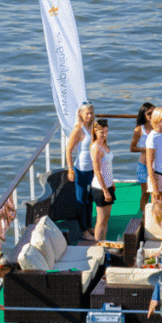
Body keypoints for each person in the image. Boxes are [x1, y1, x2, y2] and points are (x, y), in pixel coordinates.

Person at [65, 101, 95, 237]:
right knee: (81, 199)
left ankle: (89, 226)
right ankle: (83, 230)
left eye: (91, 113)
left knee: (90, 198)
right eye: (87, 113)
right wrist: (70, 170)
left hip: (93, 169)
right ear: (81, 114)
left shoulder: (94, 128)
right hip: (81, 169)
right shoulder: (78, 130)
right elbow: (68, 150)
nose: (89, 116)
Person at [89, 118, 116, 242]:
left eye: (106, 132)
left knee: (106, 218)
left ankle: (103, 243)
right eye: (102, 133)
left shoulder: (104, 144)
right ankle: (97, 245)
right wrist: (105, 191)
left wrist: (112, 183)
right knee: (101, 220)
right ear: (95, 132)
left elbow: (108, 167)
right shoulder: (95, 148)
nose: (105, 135)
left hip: (108, 184)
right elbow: (97, 172)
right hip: (100, 187)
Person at [130, 101, 155, 214]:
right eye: (150, 113)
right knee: (145, 193)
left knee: (155, 193)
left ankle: (154, 217)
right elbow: (132, 148)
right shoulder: (139, 129)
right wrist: (145, 149)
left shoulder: (158, 127)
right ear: (144, 114)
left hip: (156, 166)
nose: (152, 115)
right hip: (143, 166)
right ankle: (144, 217)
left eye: (155, 112)